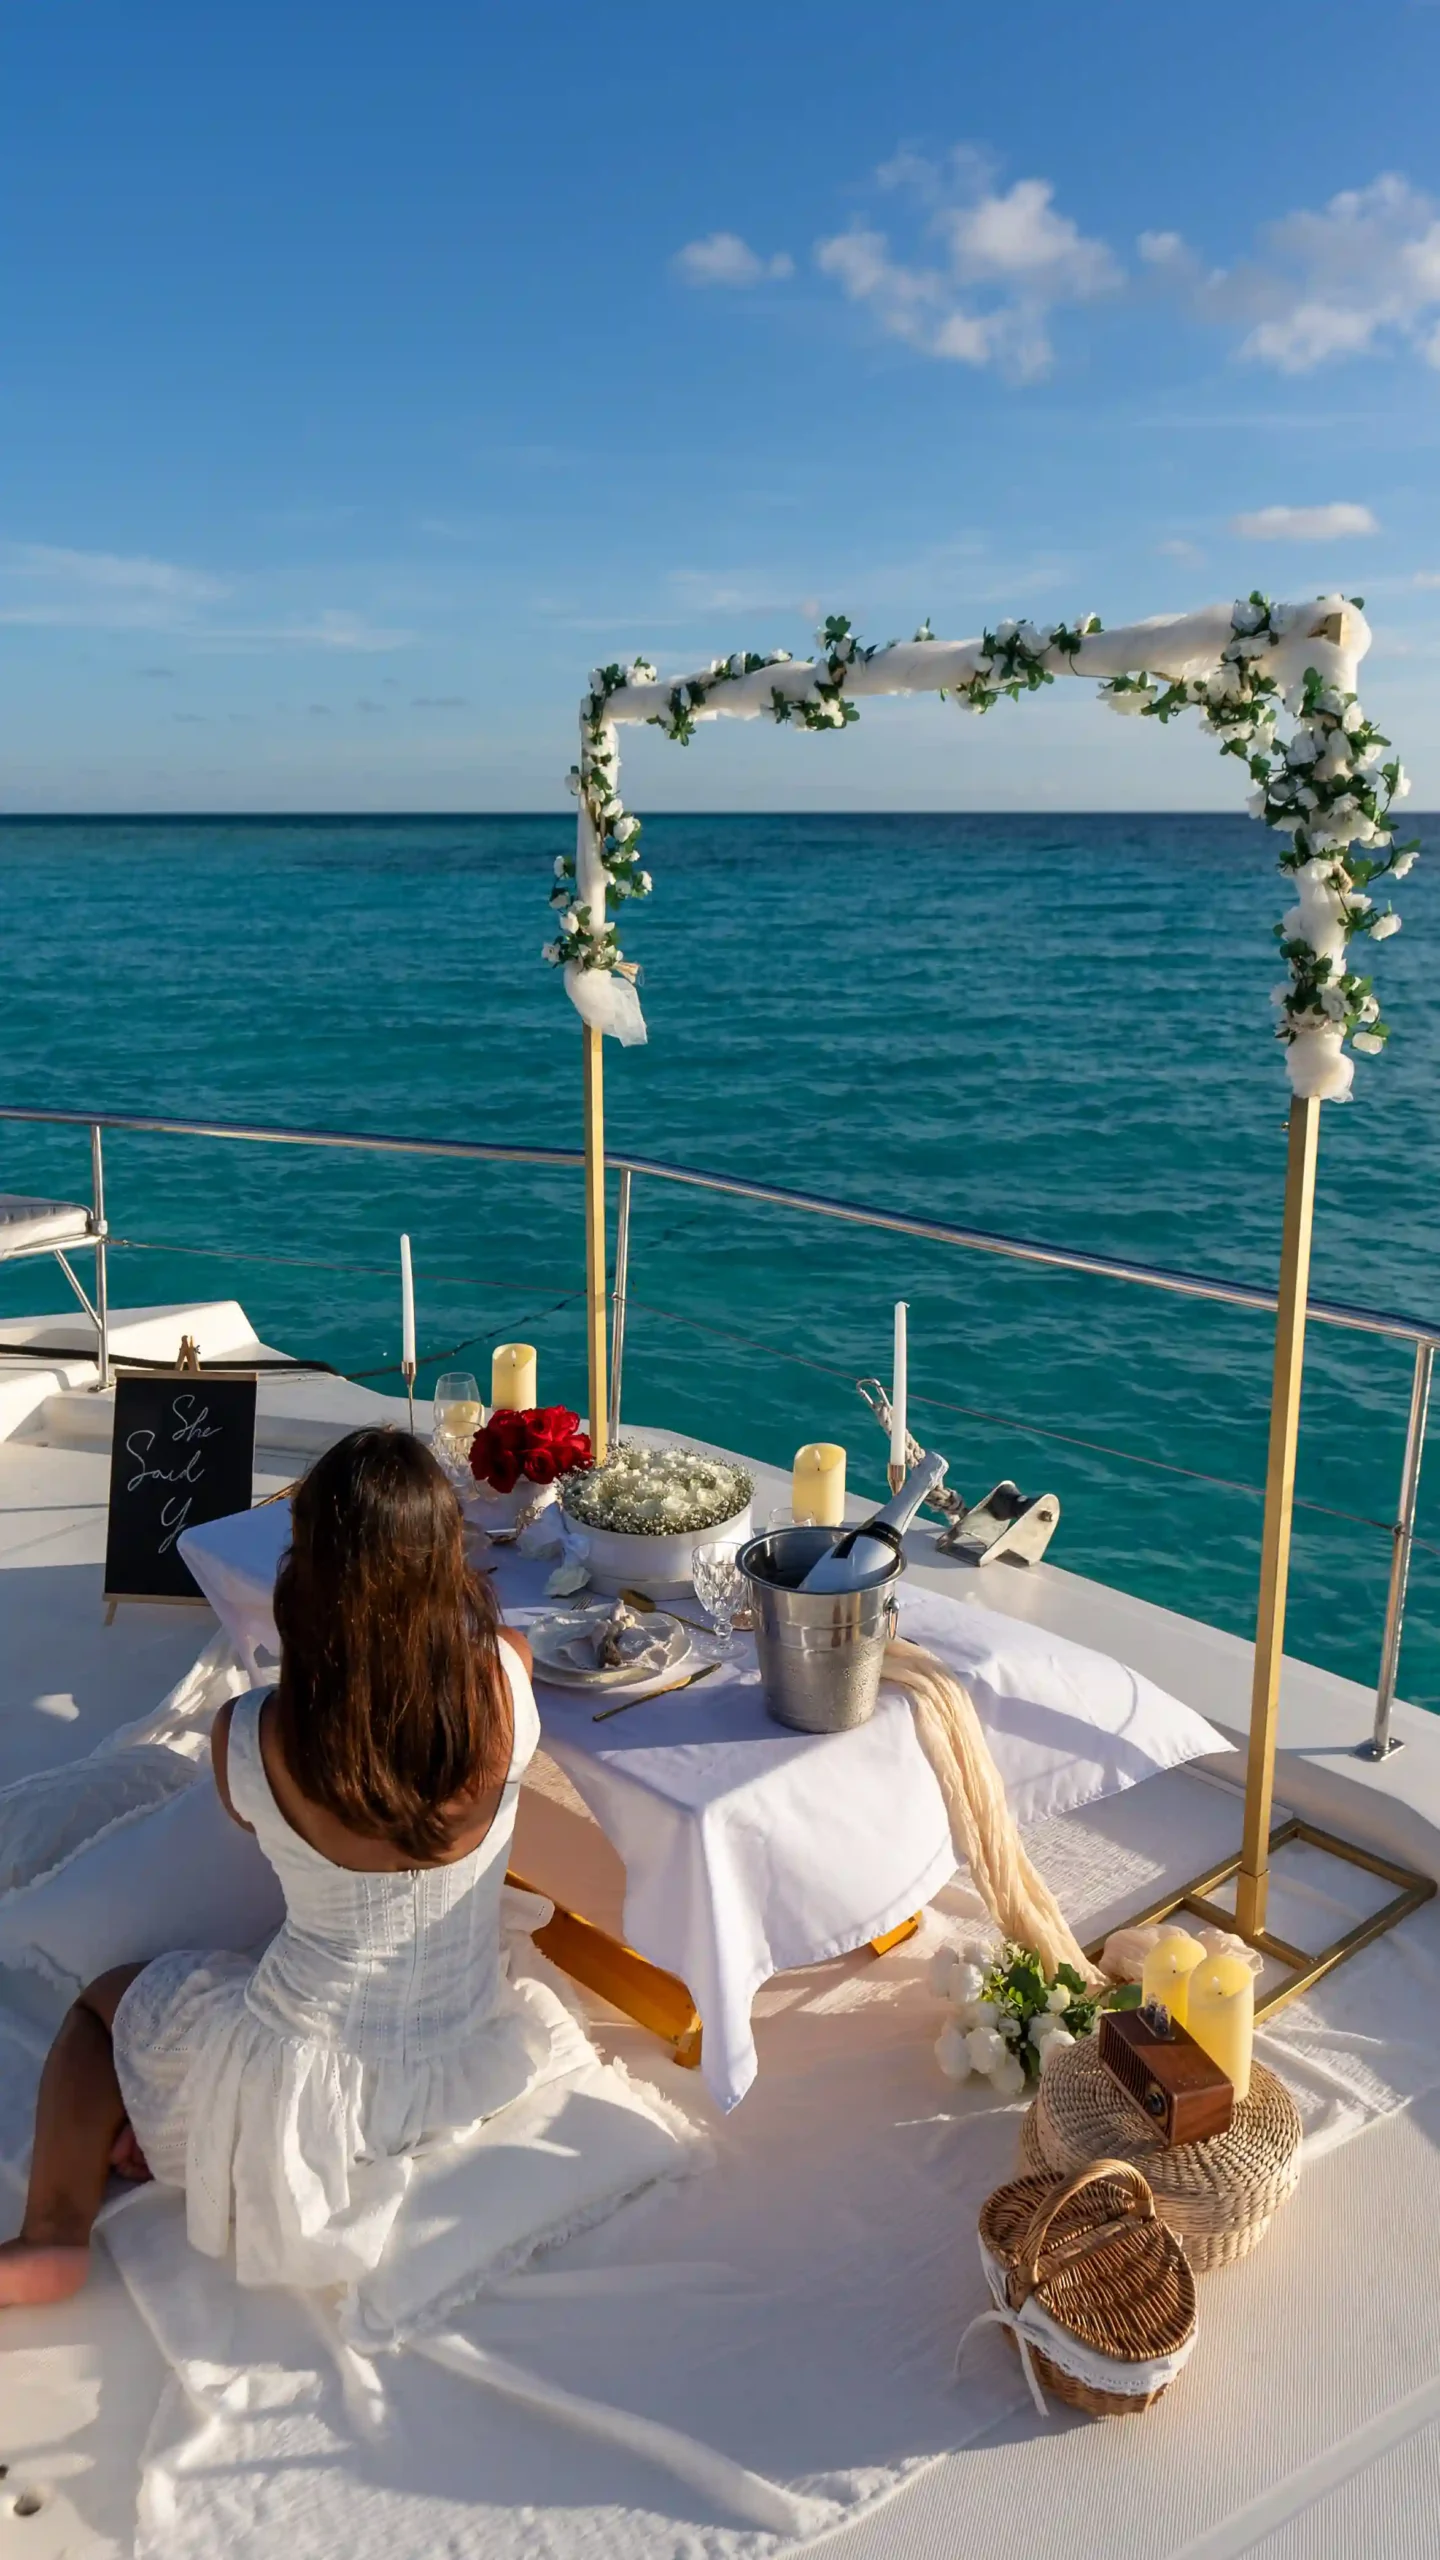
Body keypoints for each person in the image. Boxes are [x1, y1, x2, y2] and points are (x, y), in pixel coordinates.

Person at [0, 1426, 547, 2307]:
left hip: (303, 2090)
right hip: (460, 2053)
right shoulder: (507, 1678)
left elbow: (259, 1823)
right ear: (447, 1562)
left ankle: (51, 2234)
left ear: (311, 1574)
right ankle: (154, 2130)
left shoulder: (254, 1734)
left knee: (106, 2004)